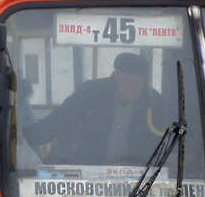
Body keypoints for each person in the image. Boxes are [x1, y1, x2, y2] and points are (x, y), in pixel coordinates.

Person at [24, 51, 162, 165]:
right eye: (127, 81)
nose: (133, 88)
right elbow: (60, 120)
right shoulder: (92, 93)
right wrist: (25, 136)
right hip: (91, 172)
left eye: (139, 82)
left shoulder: (154, 102)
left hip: (139, 176)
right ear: (114, 77)